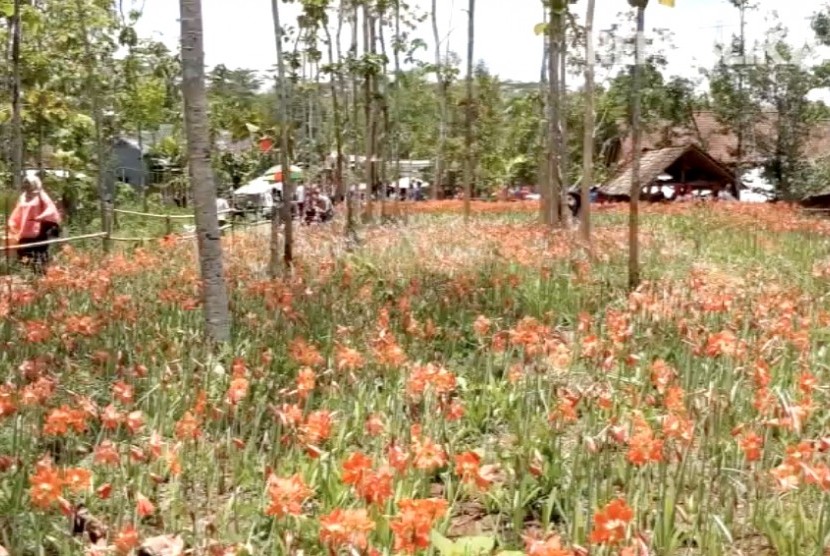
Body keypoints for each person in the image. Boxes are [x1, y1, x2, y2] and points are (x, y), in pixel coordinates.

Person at [7, 175, 62, 272]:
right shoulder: (23, 196)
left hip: (40, 228)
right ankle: (28, 273)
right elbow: (18, 210)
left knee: (39, 251)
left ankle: (41, 274)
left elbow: (51, 208)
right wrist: (13, 221)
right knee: (23, 250)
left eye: (29, 183)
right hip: (25, 228)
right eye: (25, 183)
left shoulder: (41, 195)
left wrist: (42, 216)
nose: (27, 185)